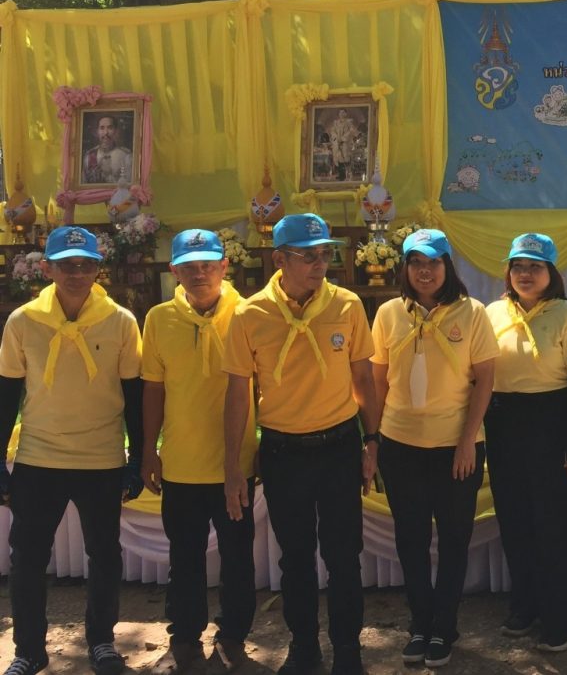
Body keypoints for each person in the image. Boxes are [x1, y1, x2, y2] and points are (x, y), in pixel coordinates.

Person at [222, 213, 378, 675]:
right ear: (279, 260)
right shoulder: (251, 314)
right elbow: (238, 394)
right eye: (307, 256)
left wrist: (372, 441)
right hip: (283, 452)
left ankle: (348, 650)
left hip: (338, 447)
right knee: (295, 558)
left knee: (344, 556)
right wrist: (233, 465)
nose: (319, 264)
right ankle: (304, 647)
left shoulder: (347, 305)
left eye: (325, 254)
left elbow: (364, 378)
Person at [0, 225, 144, 675]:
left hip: (101, 457)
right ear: (47, 268)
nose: (76, 274)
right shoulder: (23, 321)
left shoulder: (121, 321)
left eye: (85, 265)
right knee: (27, 558)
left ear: (98, 269)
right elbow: (6, 394)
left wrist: (138, 458)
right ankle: (28, 650)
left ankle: (101, 641)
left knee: (104, 554)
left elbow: (134, 395)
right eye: (67, 265)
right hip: (38, 457)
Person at [370, 228, 498, 669]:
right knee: (411, 540)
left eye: (433, 262)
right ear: (405, 268)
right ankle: (420, 624)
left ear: (448, 266)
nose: (425, 271)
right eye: (416, 263)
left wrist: (467, 442)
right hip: (400, 445)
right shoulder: (388, 313)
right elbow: (377, 381)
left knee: (454, 539)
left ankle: (445, 625)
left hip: (455, 448)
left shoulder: (473, 313)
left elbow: (485, 381)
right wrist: (374, 440)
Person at [141, 229, 259, 675]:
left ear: (225, 266)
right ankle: (186, 636)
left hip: (236, 465)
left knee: (238, 558)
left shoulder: (249, 313)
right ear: (173, 270)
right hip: (181, 464)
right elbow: (154, 390)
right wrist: (149, 450)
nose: (200, 273)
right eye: (189, 267)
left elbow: (264, 386)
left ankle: (233, 635)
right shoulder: (158, 318)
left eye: (208, 264)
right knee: (185, 558)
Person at [484, 233, 567, 652]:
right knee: (516, 523)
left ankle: (561, 616)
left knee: (558, 528)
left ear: (551, 273)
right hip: (504, 427)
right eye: (518, 266)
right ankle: (525, 606)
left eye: (535, 267)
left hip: (554, 428)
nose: (525, 274)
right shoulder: (492, 313)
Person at [82, 115, 133, 185]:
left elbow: (130, 186)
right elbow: (83, 185)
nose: (106, 132)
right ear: (97, 131)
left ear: (116, 131)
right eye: (102, 128)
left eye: (110, 128)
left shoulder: (126, 156)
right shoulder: (89, 156)